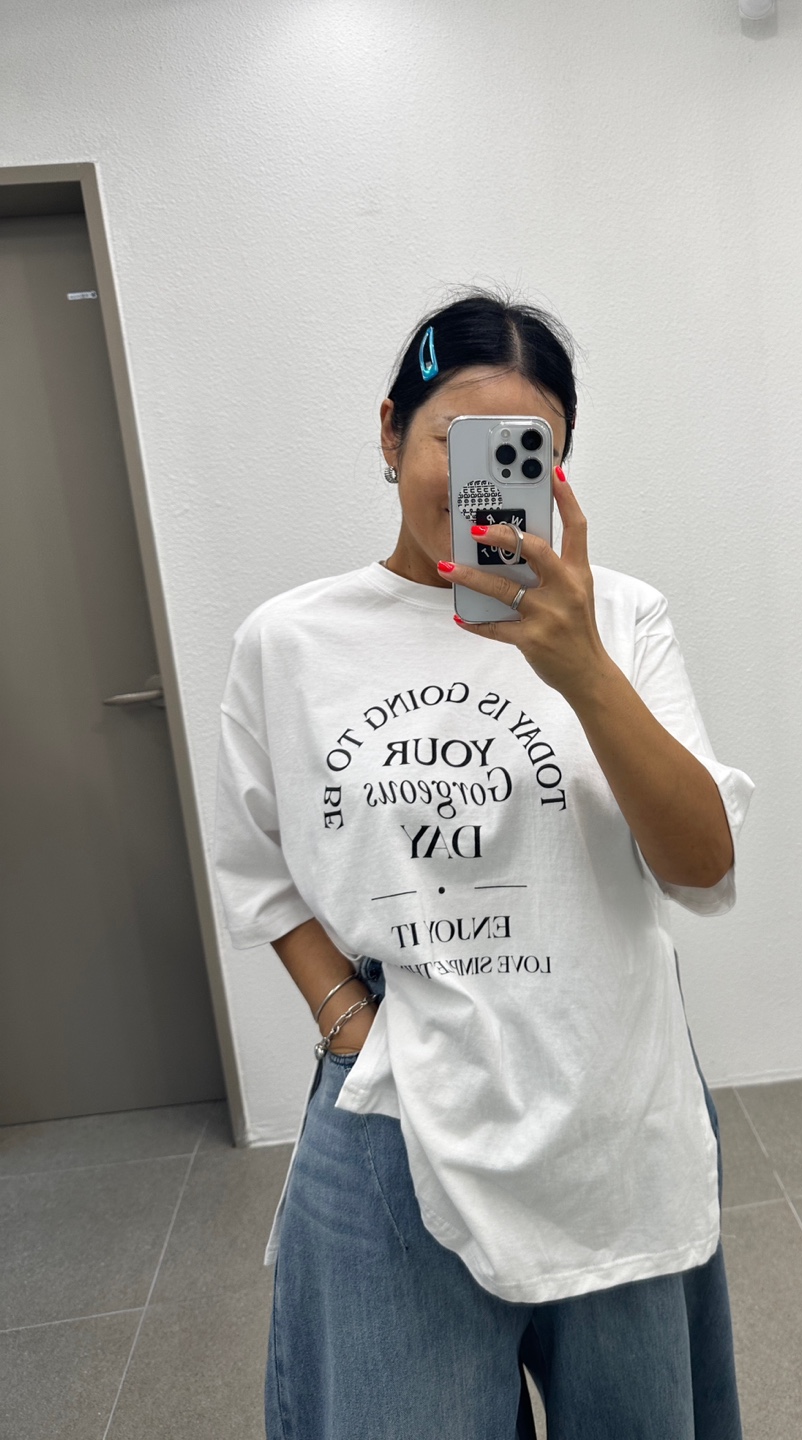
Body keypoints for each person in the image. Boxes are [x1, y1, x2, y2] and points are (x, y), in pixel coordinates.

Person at [213, 291, 754, 1440]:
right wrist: (346, 1024)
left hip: (609, 1106)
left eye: (524, 451)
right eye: (452, 442)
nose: (479, 482)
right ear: (388, 433)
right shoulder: (290, 642)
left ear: (557, 469)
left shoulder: (622, 619)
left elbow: (701, 870)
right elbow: (255, 864)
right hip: (393, 1110)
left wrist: (581, 668)